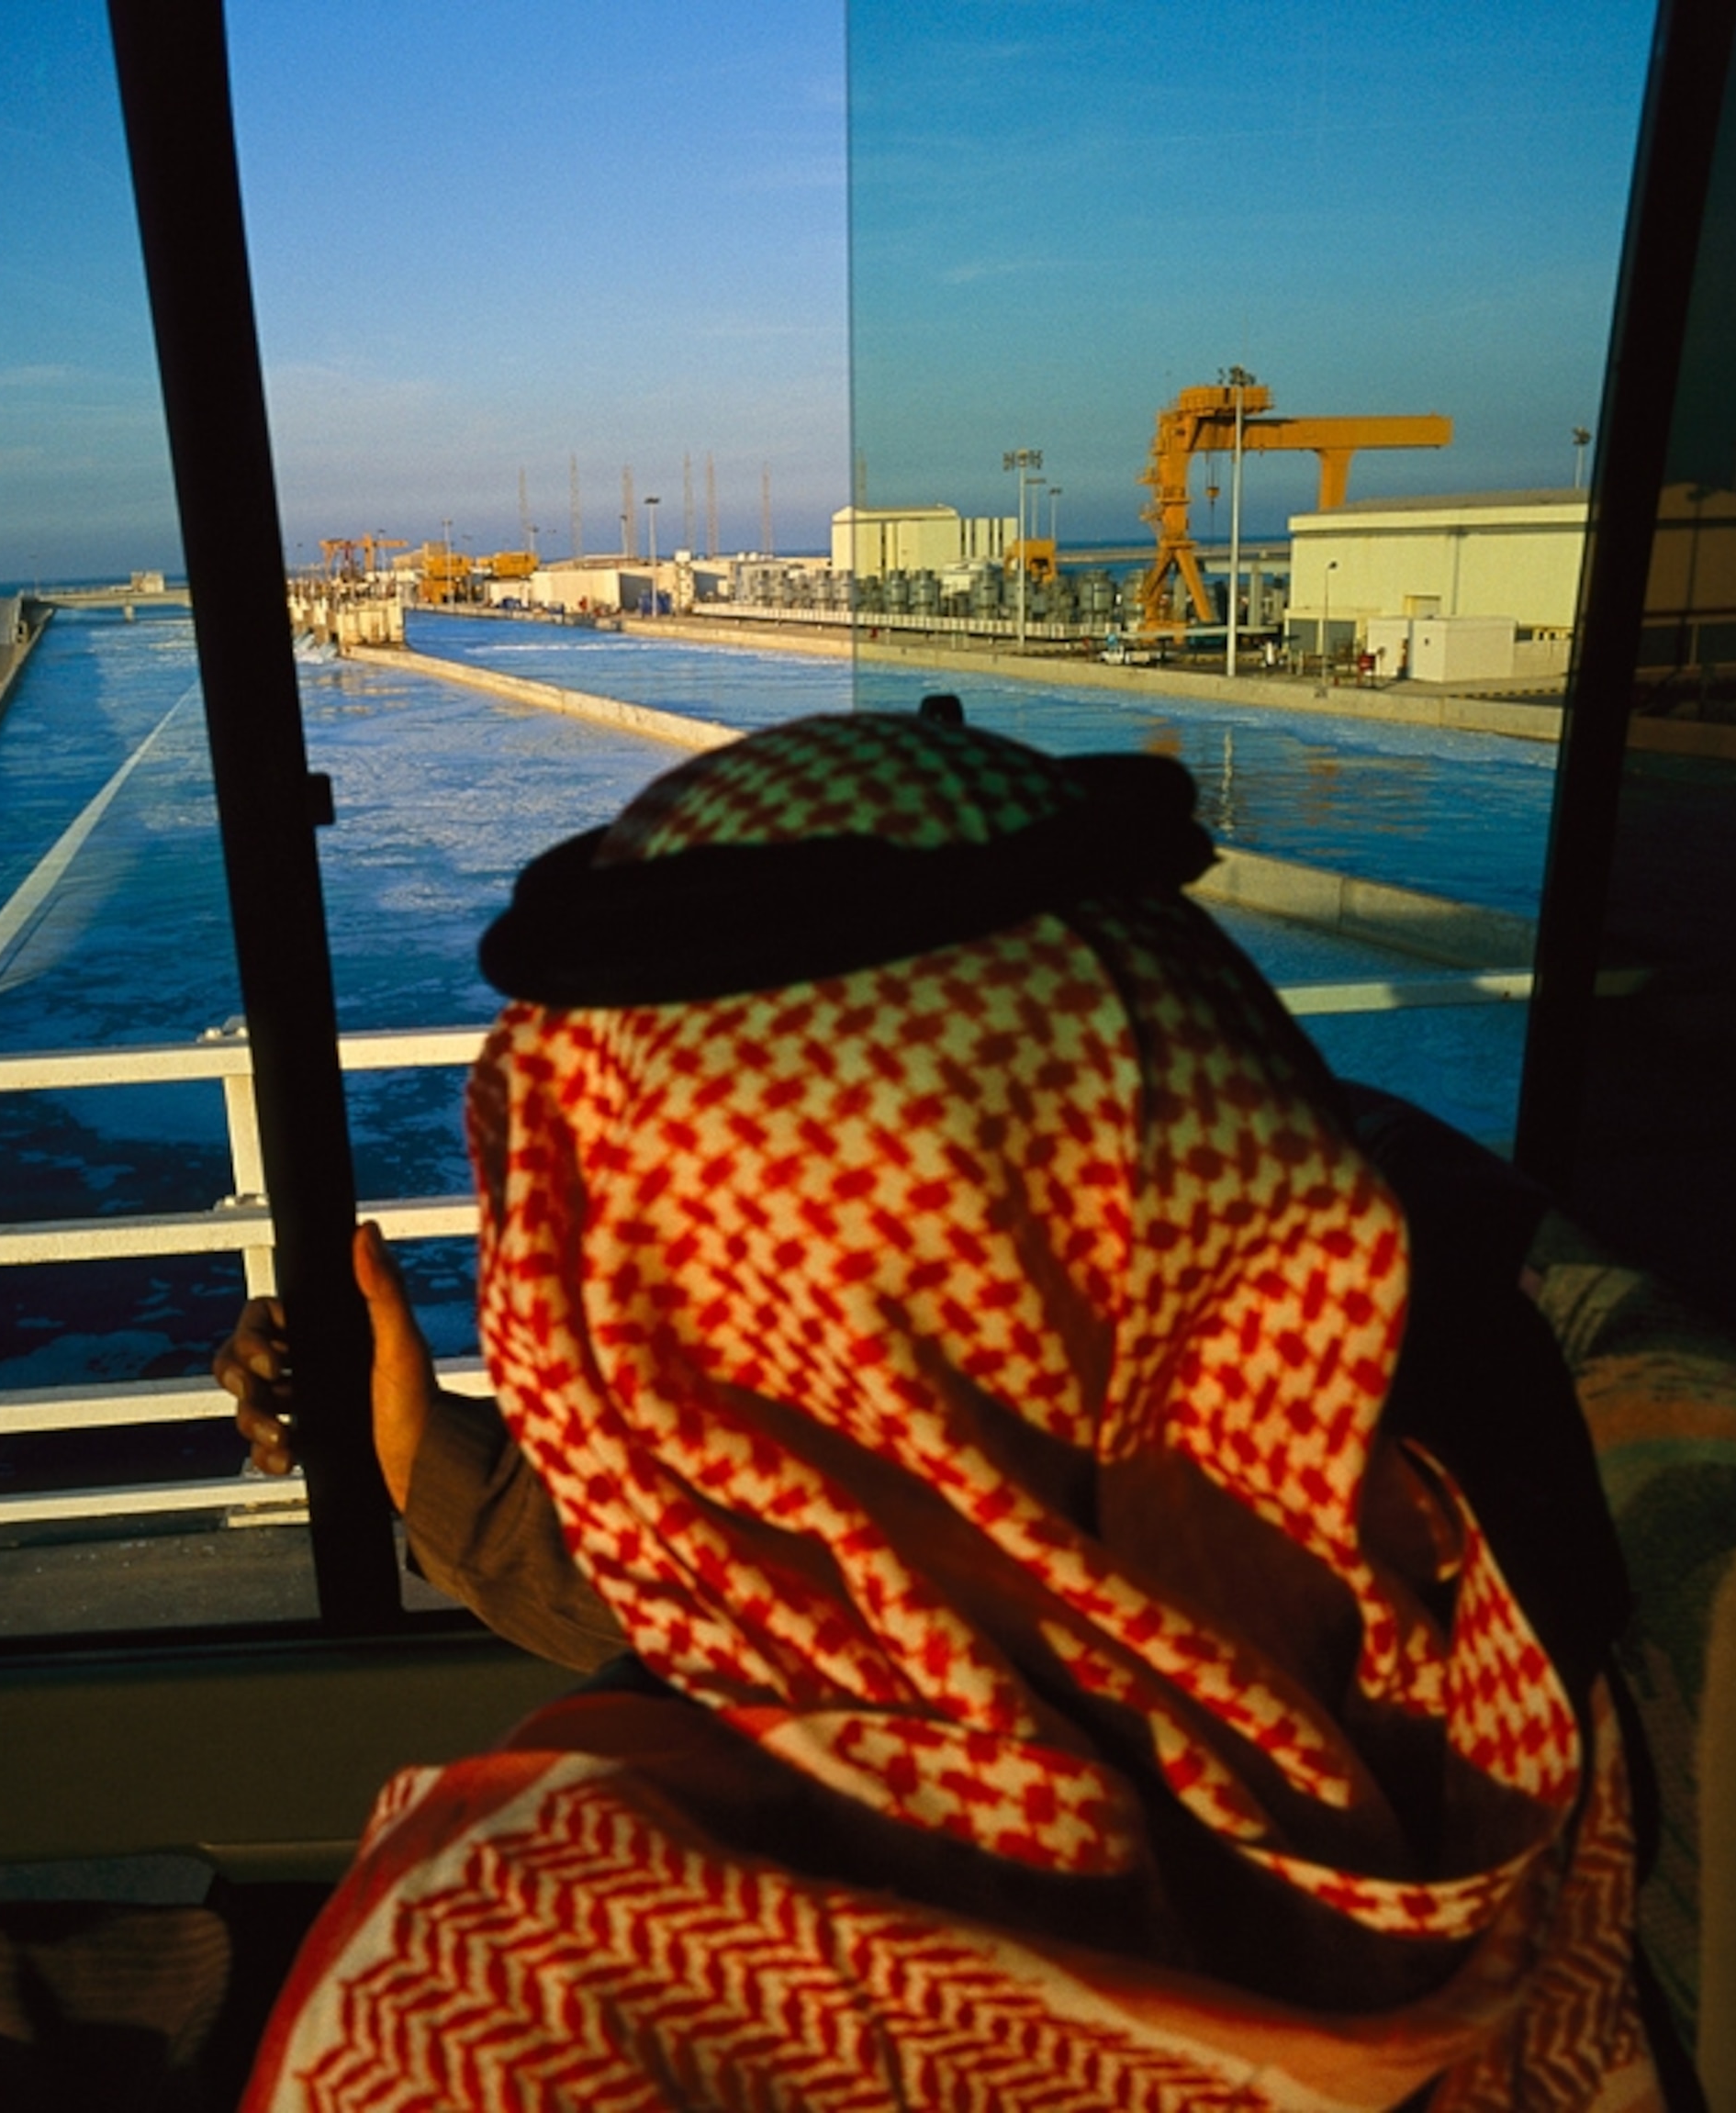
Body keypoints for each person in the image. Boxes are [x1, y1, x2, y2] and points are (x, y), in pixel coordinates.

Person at [219, 713, 1656, 2109]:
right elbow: (923, 1574)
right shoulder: (1497, 1630)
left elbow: (844, 1575)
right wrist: (421, 1453)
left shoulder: (500, 1987)